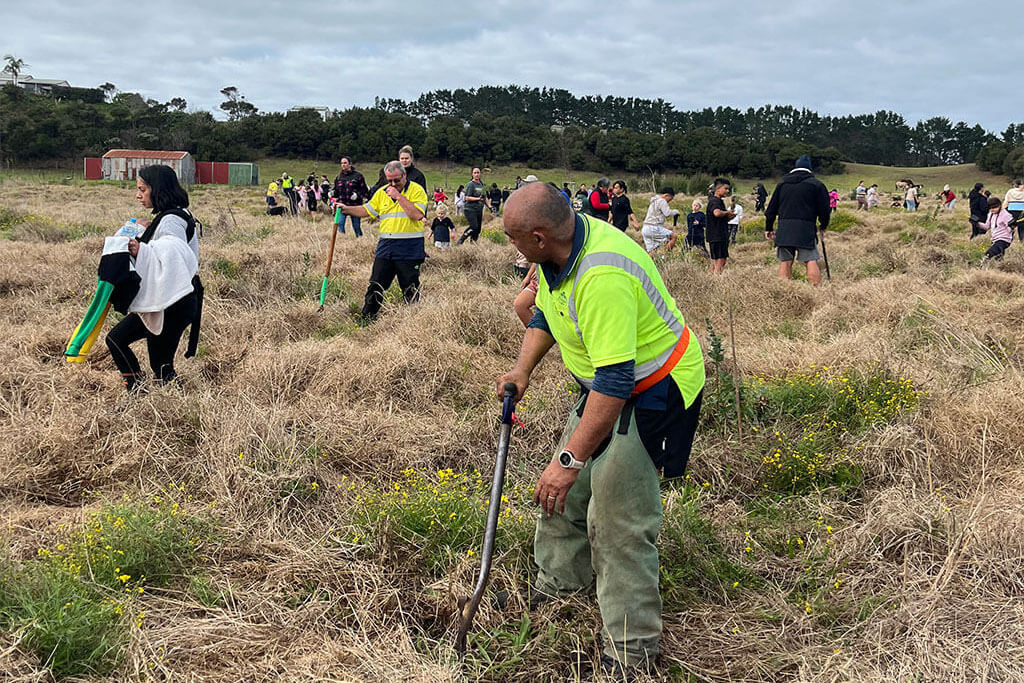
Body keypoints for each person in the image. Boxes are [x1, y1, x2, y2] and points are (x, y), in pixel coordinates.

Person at [496, 182, 704, 679]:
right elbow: (546, 312)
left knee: (615, 517)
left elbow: (616, 383)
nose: (511, 246)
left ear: (541, 236)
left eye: (513, 237)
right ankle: (558, 584)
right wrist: (522, 370)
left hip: (654, 389)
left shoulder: (602, 272)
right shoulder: (560, 252)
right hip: (607, 384)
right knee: (563, 497)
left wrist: (568, 462)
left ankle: (632, 650)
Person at [105, 165, 201, 392]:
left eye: (143, 189)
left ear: (157, 189)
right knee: (117, 340)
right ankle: (137, 391)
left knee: (161, 366)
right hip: (167, 296)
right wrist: (137, 229)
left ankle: (179, 411)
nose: (138, 195)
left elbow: (172, 246)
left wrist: (141, 249)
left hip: (174, 300)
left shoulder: (171, 221)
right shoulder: (169, 216)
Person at [338, 160, 427, 322]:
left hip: (409, 248)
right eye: (389, 180)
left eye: (396, 180)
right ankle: (367, 319)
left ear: (404, 175)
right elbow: (366, 210)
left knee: (410, 287)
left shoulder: (417, 190)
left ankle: (415, 322)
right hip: (386, 247)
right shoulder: (381, 192)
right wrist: (346, 208)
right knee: (375, 284)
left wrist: (398, 196)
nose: (392, 184)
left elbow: (417, 215)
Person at [764, 154, 830, 286]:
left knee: (786, 261)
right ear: (810, 170)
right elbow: (824, 209)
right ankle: (816, 291)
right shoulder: (816, 184)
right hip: (805, 227)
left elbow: (771, 209)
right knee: (810, 260)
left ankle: (784, 291)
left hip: (784, 227)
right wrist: (823, 225)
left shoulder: (782, 184)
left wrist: (769, 228)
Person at [333, 157, 370, 237]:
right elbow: (336, 191)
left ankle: (360, 240)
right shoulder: (339, 177)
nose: (343, 165)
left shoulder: (358, 176)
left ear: (350, 164)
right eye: (342, 163)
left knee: (356, 226)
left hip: (355, 205)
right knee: (340, 225)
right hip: (341, 205)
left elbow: (364, 190)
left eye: (345, 163)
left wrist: (357, 195)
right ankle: (342, 241)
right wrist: (332, 193)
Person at [706, 178, 735, 275]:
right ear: (718, 189)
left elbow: (719, 218)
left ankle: (709, 277)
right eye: (726, 188)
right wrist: (727, 212)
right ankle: (716, 279)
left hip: (717, 234)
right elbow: (717, 213)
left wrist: (728, 217)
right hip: (717, 235)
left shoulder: (717, 201)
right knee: (720, 259)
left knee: (717, 259)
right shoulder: (715, 201)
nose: (727, 191)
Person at [640, 186, 679, 252]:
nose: (669, 201)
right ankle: (665, 255)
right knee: (673, 236)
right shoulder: (662, 201)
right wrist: (675, 212)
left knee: (652, 251)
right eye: (670, 199)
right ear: (667, 195)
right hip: (654, 227)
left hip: (645, 229)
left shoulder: (654, 201)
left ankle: (651, 262)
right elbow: (667, 213)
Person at [979, 196, 1014, 262]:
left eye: (995, 207)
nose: (992, 209)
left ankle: (980, 267)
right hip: (995, 239)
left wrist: (1012, 226)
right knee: (998, 259)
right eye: (990, 208)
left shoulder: (1006, 215)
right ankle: (1000, 269)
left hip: (1004, 240)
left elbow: (1011, 227)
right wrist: (977, 223)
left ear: (1000, 205)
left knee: (988, 254)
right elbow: (987, 226)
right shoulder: (991, 214)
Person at [458, 167, 487, 244]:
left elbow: (485, 197)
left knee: (478, 229)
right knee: (473, 226)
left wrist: (490, 207)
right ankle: (461, 239)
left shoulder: (482, 185)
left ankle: (473, 243)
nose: (477, 174)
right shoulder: (471, 184)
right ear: (472, 174)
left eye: (478, 173)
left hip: (479, 209)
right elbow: (467, 197)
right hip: (470, 209)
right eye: (475, 173)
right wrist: (477, 199)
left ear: (480, 174)